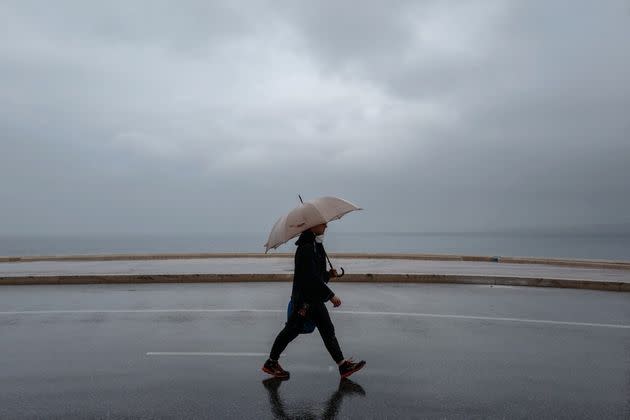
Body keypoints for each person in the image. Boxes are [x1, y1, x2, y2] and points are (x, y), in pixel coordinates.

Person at [262, 222, 366, 379]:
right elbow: (310, 278)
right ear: (312, 226)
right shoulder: (306, 248)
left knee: (327, 330)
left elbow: (316, 276)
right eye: (323, 224)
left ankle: (343, 366)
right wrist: (330, 296)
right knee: (291, 331)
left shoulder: (316, 246)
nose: (326, 226)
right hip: (304, 301)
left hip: (314, 299)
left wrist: (328, 275)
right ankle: (271, 362)